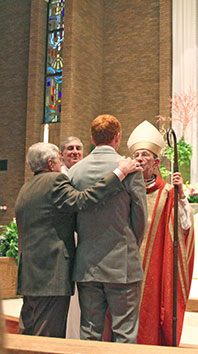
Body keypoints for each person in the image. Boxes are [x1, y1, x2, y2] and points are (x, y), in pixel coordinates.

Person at [15, 142, 139, 338]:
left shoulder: (26, 187)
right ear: (50, 163)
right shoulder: (54, 181)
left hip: (31, 273)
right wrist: (119, 173)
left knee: (28, 331)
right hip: (51, 275)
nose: (62, 162)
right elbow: (82, 199)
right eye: (59, 158)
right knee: (47, 336)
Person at [68, 114, 147, 343]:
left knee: (90, 330)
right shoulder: (130, 169)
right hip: (122, 261)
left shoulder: (75, 172)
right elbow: (140, 216)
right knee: (125, 332)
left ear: (92, 138)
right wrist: (131, 245)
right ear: (117, 137)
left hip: (87, 263)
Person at [126, 120, 195, 346]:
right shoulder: (122, 189)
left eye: (144, 155)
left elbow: (184, 227)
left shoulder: (166, 192)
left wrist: (181, 195)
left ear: (155, 162)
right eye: (136, 154)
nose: (139, 158)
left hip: (152, 267)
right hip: (123, 264)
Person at [59, 137, 84, 339]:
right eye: (70, 149)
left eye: (78, 148)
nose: (74, 152)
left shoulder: (86, 174)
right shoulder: (60, 177)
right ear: (62, 154)